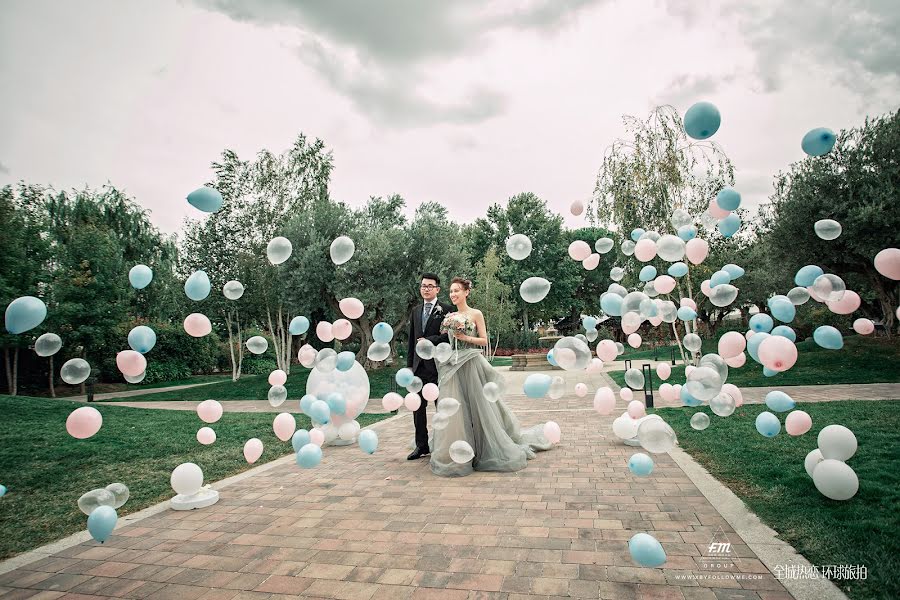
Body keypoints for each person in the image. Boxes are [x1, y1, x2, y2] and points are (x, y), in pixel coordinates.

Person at [430, 277, 551, 477]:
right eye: (451, 291)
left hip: (471, 364)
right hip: (453, 366)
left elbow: (484, 340)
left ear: (466, 292)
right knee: (457, 411)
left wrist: (465, 337)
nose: (453, 294)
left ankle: (487, 448)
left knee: (481, 408)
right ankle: (460, 451)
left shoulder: (476, 313)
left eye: (457, 291)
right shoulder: (449, 316)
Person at [406, 273, 453, 460]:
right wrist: (410, 365)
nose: (426, 288)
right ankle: (421, 446)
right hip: (418, 368)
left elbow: (449, 336)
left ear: (437, 289)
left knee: (441, 408)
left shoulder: (447, 310)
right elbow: (412, 339)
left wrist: (430, 340)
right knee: (418, 410)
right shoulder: (416, 311)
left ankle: (444, 444)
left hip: (438, 367)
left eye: (430, 286)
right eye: (423, 285)